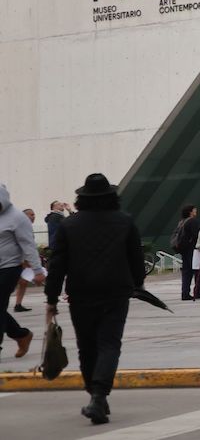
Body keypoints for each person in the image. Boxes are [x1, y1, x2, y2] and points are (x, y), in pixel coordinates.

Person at [45, 174, 144, 425]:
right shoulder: (124, 221)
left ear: (81, 199)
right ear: (112, 196)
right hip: (116, 292)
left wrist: (51, 297)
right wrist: (137, 283)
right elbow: (136, 258)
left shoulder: (70, 225)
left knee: (87, 346)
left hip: (81, 293)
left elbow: (57, 264)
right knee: (110, 343)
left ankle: (96, 395)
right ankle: (99, 396)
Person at [1, 184, 46, 361]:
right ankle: (21, 334)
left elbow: (28, 244)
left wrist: (37, 269)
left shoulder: (17, 218)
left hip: (10, 267)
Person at [174, 205, 200, 301]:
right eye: (194, 210)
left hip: (183, 249)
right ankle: (198, 291)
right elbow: (197, 234)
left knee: (186, 272)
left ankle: (185, 293)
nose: (196, 212)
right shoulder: (192, 221)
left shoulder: (181, 222)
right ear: (190, 212)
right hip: (192, 249)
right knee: (198, 270)